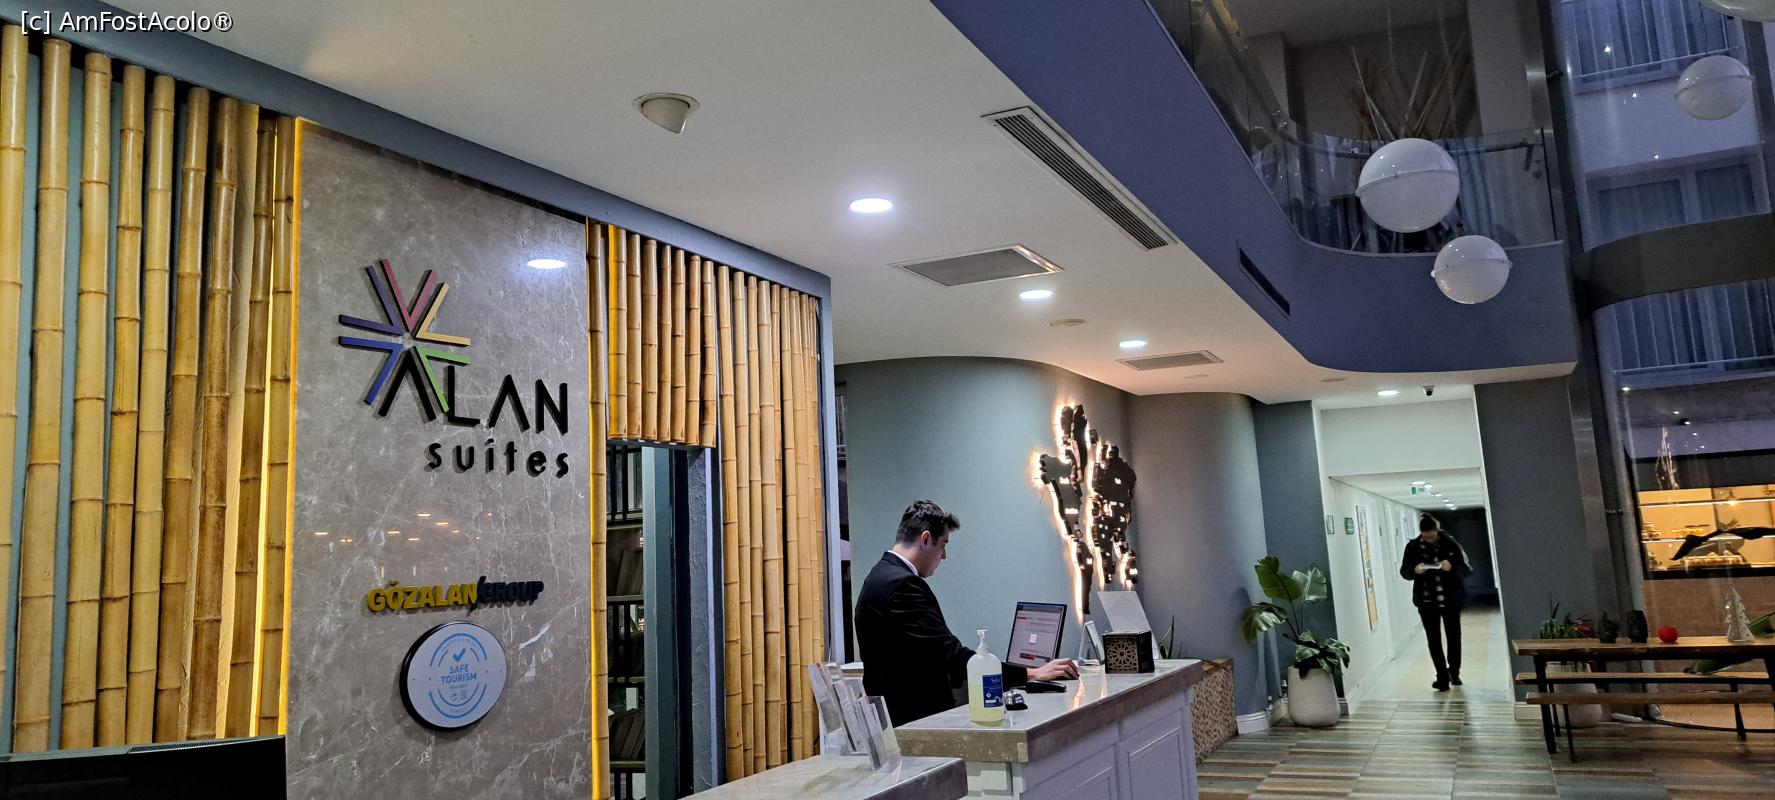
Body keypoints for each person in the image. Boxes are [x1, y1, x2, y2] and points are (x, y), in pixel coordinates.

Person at [855, 500, 1079, 725]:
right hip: (914, 721)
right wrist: (1032, 674)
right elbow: (950, 655)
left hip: (896, 719)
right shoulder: (902, 585)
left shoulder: (880, 575)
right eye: (943, 545)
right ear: (925, 539)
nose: (944, 556)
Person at [1399, 513, 1469, 692]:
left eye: (1431, 536)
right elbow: (1404, 571)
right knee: (1433, 639)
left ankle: (1454, 672)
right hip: (1426, 600)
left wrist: (1451, 567)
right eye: (1425, 537)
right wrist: (1415, 570)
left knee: (1454, 637)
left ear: (1437, 531)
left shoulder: (1450, 544)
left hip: (1450, 599)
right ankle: (1442, 676)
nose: (1428, 539)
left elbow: (1466, 570)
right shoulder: (1413, 547)